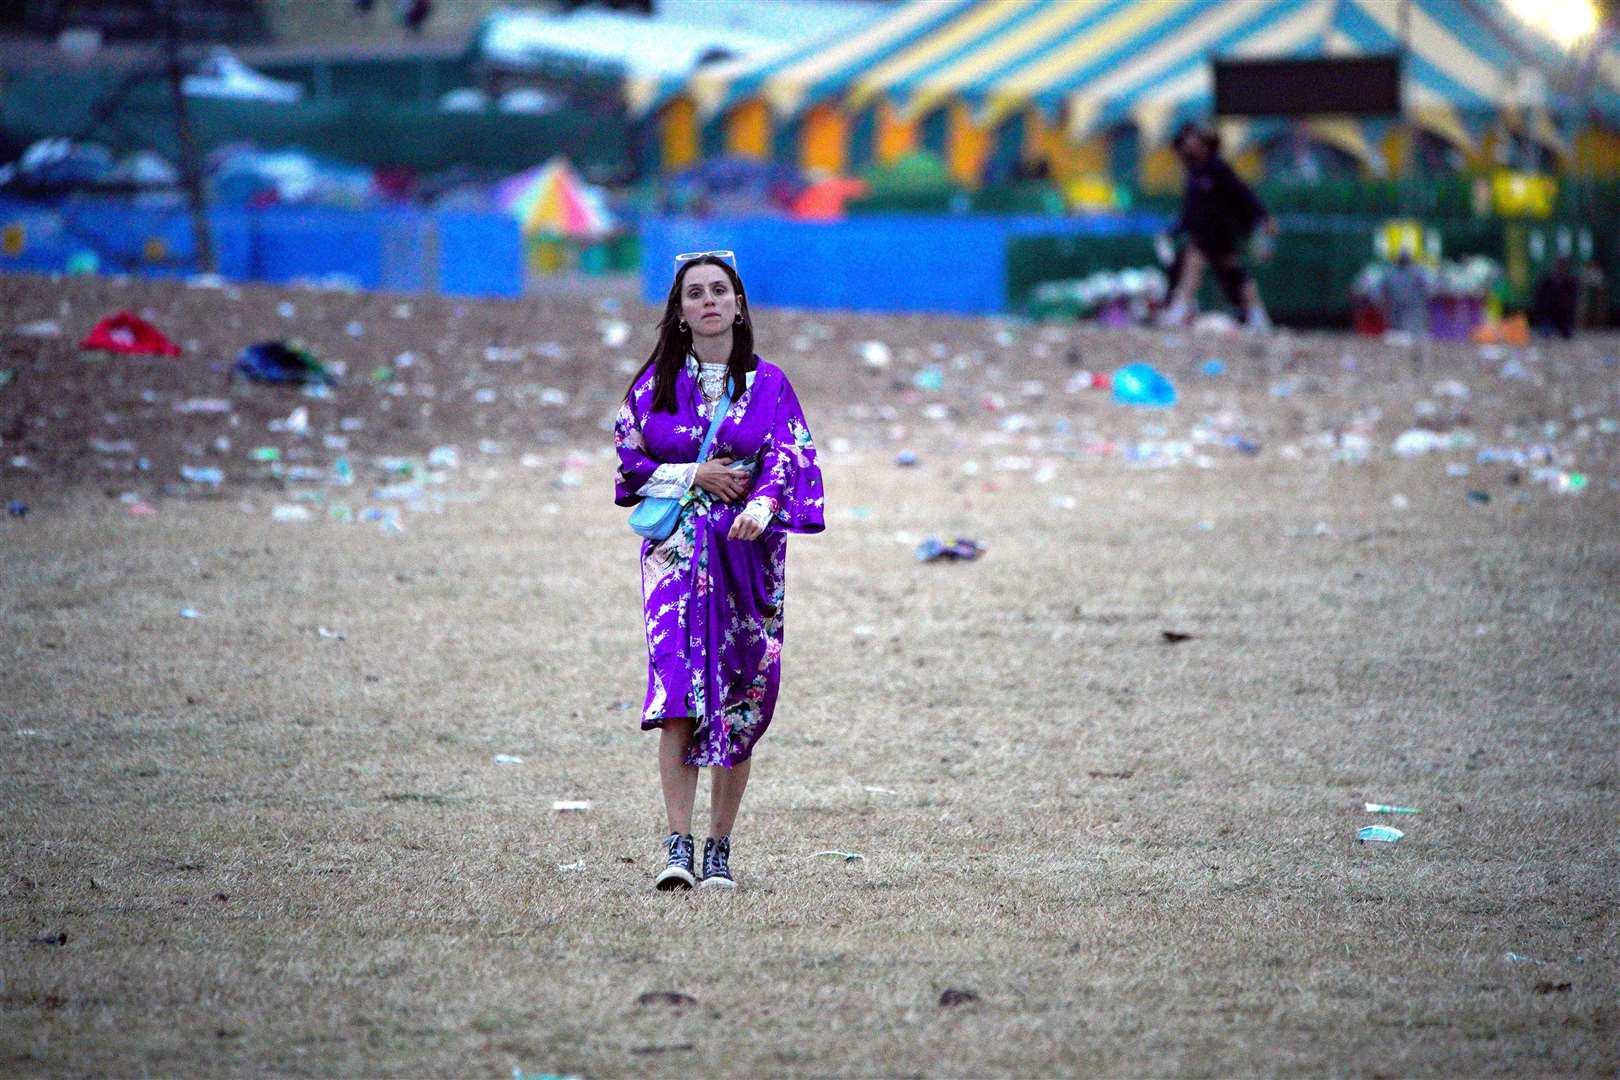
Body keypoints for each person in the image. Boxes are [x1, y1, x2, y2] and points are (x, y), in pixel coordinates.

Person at [614, 253, 825, 892]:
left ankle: (719, 850)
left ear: (738, 304)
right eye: (694, 294)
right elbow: (628, 459)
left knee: (741, 694)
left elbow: (793, 453)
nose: (708, 301)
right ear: (679, 313)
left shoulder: (770, 384)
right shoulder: (655, 385)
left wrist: (762, 504)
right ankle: (677, 846)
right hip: (677, 554)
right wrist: (693, 474)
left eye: (719, 290)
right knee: (677, 693)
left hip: (746, 554)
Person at [1160, 121, 1278, 332]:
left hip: (1221, 234)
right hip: (1203, 235)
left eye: (1193, 139)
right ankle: (1178, 311)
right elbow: (1190, 211)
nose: (1188, 143)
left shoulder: (1218, 169)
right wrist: (1174, 230)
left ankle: (1257, 316)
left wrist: (1263, 217)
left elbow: (1243, 195)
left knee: (1233, 275)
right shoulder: (1194, 172)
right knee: (1195, 266)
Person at [1531, 257, 1580, 340]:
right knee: (1546, 333)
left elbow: (1574, 299)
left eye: (1563, 265)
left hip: (1563, 315)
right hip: (1548, 314)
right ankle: (1548, 329)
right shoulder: (1547, 279)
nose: (1561, 268)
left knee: (1567, 335)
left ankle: (1560, 329)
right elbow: (1539, 297)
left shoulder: (1571, 281)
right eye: (1559, 265)